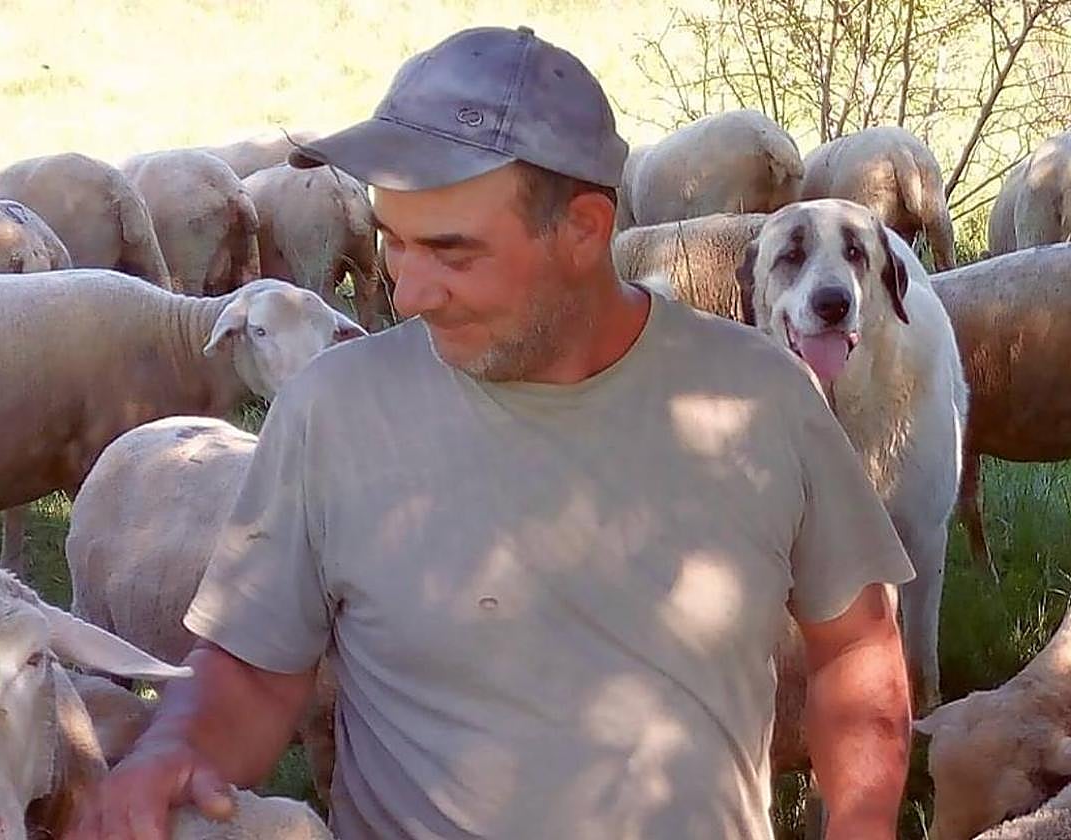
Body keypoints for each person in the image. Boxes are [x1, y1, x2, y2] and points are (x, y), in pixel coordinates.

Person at [67, 25, 914, 840]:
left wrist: (865, 823)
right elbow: (253, 668)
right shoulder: (332, 411)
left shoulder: (762, 398)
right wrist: (176, 749)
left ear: (583, 230)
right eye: (395, 244)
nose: (408, 294)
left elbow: (857, 646)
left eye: (453, 251)